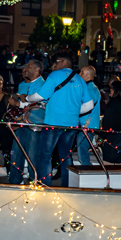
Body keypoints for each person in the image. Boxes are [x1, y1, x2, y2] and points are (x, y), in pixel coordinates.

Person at [25, 52, 94, 186]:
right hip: (71, 125)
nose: (54, 65)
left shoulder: (55, 75)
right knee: (66, 156)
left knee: (45, 155)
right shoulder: (80, 79)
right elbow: (89, 105)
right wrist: (72, 112)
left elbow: (40, 96)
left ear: (62, 61)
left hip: (53, 123)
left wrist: (27, 98)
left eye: (56, 62)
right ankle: (67, 185)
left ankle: (44, 185)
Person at [76, 66, 101, 166]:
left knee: (82, 150)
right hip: (87, 125)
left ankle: (87, 169)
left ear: (89, 76)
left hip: (87, 126)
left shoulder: (91, 89)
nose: (79, 74)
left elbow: (88, 104)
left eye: (82, 72)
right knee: (82, 149)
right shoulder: (90, 88)